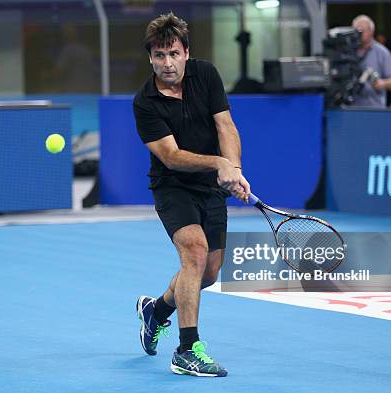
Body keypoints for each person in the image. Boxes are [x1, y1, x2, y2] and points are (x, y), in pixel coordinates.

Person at [132, 12, 250, 377]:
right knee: (195, 254)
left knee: (208, 273)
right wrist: (219, 163)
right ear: (150, 58)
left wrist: (234, 169)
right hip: (173, 186)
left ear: (186, 53)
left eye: (173, 54)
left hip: (211, 188)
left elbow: (225, 124)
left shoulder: (206, 74)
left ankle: (156, 312)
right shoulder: (145, 102)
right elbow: (171, 156)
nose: (167, 63)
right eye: (159, 55)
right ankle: (187, 349)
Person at [351, 15, 391, 107]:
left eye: (361, 31)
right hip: (351, 108)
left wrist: (383, 83)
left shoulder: (382, 53)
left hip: (374, 108)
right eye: (355, 31)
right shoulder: (347, 52)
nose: (357, 34)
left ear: (371, 32)